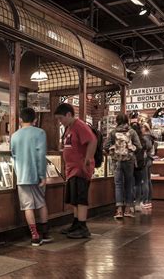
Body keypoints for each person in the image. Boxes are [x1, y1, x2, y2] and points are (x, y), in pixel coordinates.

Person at [54, 103, 97, 239]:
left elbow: (92, 140)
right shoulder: (69, 127)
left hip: (80, 169)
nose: (60, 121)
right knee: (74, 199)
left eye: (61, 118)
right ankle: (76, 223)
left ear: (68, 114)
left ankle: (83, 227)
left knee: (81, 198)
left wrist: (88, 158)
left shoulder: (79, 125)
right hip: (71, 169)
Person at [11, 107, 52, 246]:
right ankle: (45, 233)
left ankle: (34, 236)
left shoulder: (14, 135)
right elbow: (41, 155)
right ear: (35, 120)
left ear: (20, 120)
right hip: (36, 173)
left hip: (22, 175)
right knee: (41, 203)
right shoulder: (40, 132)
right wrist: (42, 175)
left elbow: (13, 155)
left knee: (27, 206)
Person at [104, 113, 142, 219]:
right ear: (127, 121)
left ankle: (119, 210)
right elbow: (139, 146)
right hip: (129, 160)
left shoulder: (113, 132)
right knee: (129, 184)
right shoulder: (132, 131)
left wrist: (112, 152)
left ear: (117, 121)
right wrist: (131, 150)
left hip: (116, 161)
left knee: (118, 184)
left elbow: (105, 146)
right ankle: (128, 209)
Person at [131, 122, 147, 212]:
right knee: (138, 183)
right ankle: (137, 203)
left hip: (130, 163)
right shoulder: (143, 140)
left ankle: (130, 204)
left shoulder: (130, 139)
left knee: (130, 184)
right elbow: (146, 150)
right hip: (140, 164)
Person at [141, 123, 155, 209]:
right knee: (148, 180)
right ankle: (149, 200)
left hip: (145, 160)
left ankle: (145, 201)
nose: (140, 129)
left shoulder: (145, 138)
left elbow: (144, 149)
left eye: (141, 127)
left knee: (145, 180)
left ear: (145, 128)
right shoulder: (151, 137)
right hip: (150, 160)